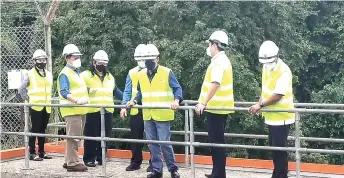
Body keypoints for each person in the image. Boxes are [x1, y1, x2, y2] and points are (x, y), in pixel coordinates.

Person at [125, 44, 182, 178]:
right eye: (147, 60)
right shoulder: (141, 74)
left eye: (152, 59)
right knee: (152, 144)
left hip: (162, 114)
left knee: (164, 143)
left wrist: (176, 100)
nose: (149, 62)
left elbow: (177, 88)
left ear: (157, 59)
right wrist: (134, 100)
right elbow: (140, 92)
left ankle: (173, 169)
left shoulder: (167, 72)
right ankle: (157, 170)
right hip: (148, 114)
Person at [249, 40, 295, 178]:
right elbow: (266, 90)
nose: (266, 65)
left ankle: (281, 175)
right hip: (271, 117)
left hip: (282, 117)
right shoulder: (266, 67)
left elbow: (278, 95)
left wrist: (260, 105)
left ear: (276, 56)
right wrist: (260, 103)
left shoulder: (284, 71)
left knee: (280, 151)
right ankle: (277, 174)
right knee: (274, 150)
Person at [195, 30, 234, 178]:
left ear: (215, 45)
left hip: (217, 109)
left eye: (210, 44)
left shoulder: (219, 62)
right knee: (216, 142)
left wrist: (203, 103)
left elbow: (215, 83)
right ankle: (217, 172)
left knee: (217, 143)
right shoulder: (222, 61)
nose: (208, 47)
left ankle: (219, 174)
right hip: (219, 108)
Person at [80, 50, 123, 167]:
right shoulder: (85, 75)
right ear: (94, 62)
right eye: (99, 63)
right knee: (91, 135)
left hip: (108, 110)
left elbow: (116, 91)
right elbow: (78, 88)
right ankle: (89, 158)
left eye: (104, 63)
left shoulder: (110, 77)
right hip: (93, 110)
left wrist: (126, 100)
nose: (102, 65)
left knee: (105, 135)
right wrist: (88, 90)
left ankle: (101, 157)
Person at [120, 44, 152, 172]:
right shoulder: (132, 72)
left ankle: (153, 162)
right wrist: (123, 107)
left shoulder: (151, 71)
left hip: (149, 108)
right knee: (135, 137)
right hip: (135, 110)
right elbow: (127, 91)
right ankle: (135, 161)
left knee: (152, 137)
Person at [57, 44, 89, 172]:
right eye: (75, 57)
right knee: (73, 138)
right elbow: (65, 92)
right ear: (67, 58)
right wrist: (77, 100)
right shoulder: (65, 73)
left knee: (75, 136)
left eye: (78, 57)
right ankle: (73, 163)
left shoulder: (76, 72)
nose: (78, 59)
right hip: (72, 109)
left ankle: (68, 160)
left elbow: (79, 88)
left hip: (79, 109)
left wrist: (90, 90)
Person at [18, 49, 53, 161]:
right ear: (34, 61)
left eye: (43, 60)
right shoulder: (30, 74)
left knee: (43, 129)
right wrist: (27, 99)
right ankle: (32, 153)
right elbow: (21, 89)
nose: (42, 62)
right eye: (39, 60)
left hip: (46, 106)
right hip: (35, 106)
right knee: (35, 129)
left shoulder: (48, 74)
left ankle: (42, 151)